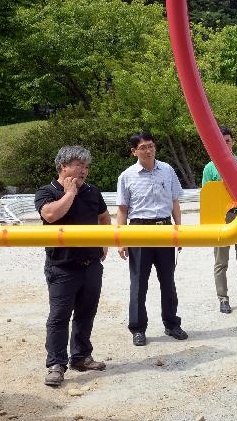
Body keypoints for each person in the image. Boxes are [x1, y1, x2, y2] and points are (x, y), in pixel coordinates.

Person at [35, 146, 111, 387]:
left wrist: (104, 241)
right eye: (79, 165)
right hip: (62, 267)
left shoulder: (92, 191)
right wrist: (69, 194)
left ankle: (81, 356)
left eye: (86, 167)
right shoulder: (47, 191)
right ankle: (56, 364)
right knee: (59, 317)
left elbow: (104, 217)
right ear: (63, 166)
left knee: (86, 313)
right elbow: (50, 216)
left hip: (91, 264)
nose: (84, 171)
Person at [116, 131, 188, 347]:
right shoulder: (126, 176)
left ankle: (171, 323)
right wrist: (121, 240)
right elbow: (122, 210)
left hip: (165, 228)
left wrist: (179, 232)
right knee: (138, 282)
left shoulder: (167, 170)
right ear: (133, 151)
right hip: (138, 230)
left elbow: (175, 202)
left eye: (151, 146)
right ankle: (138, 328)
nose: (148, 150)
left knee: (168, 281)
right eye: (143, 147)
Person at [202, 125, 237, 314]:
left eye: (227, 141)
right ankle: (223, 298)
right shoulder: (210, 167)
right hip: (221, 219)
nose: (225, 144)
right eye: (221, 141)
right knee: (221, 262)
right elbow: (207, 197)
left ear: (233, 142)